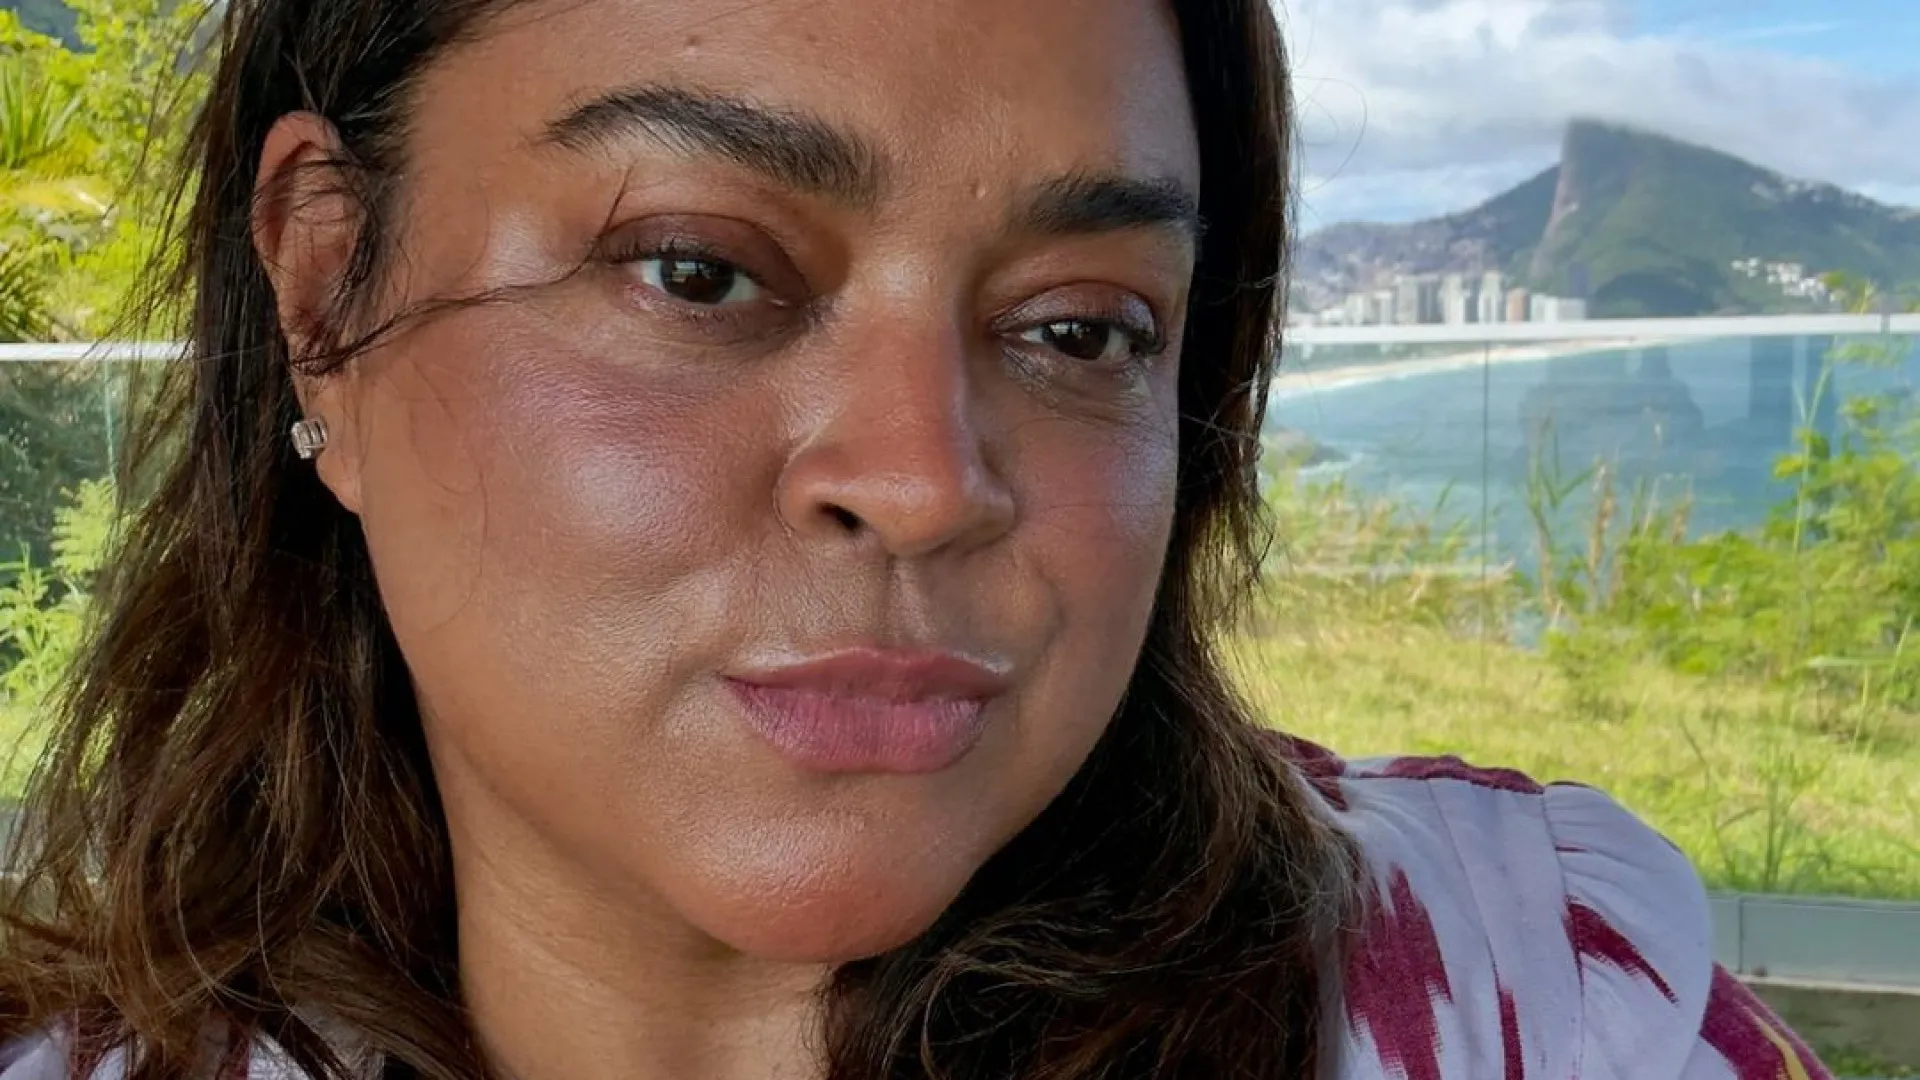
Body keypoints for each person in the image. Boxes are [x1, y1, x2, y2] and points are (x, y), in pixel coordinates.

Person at [0, 2, 1834, 1078]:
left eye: (1080, 329)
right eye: (698, 272)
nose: (929, 479)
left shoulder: (1540, 1002)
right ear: (327, 292)